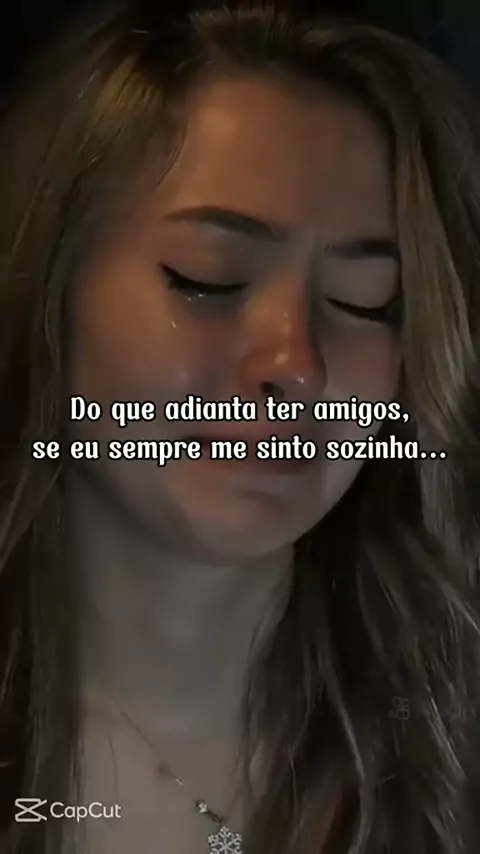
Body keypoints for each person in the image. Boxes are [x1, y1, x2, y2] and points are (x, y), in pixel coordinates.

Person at [0, 0, 479, 852]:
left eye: (366, 303)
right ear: (47, 286)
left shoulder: (450, 740)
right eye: (207, 279)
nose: (296, 365)